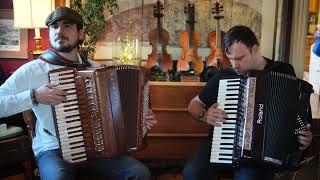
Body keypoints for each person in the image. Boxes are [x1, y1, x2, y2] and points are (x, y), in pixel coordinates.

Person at [0, 7, 157, 180]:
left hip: (98, 149)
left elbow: (119, 116)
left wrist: (140, 122)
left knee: (139, 173)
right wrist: (34, 96)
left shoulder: (97, 70)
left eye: (67, 26)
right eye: (54, 27)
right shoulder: (33, 70)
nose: (60, 31)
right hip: (54, 149)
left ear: (80, 34)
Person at [182, 25, 313, 180]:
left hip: (261, 156)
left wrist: (304, 136)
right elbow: (193, 105)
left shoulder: (282, 71)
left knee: (247, 177)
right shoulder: (224, 75)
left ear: (255, 49)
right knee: (192, 172)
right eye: (230, 59)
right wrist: (204, 115)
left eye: (239, 58)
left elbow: (296, 113)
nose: (234, 65)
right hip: (220, 145)